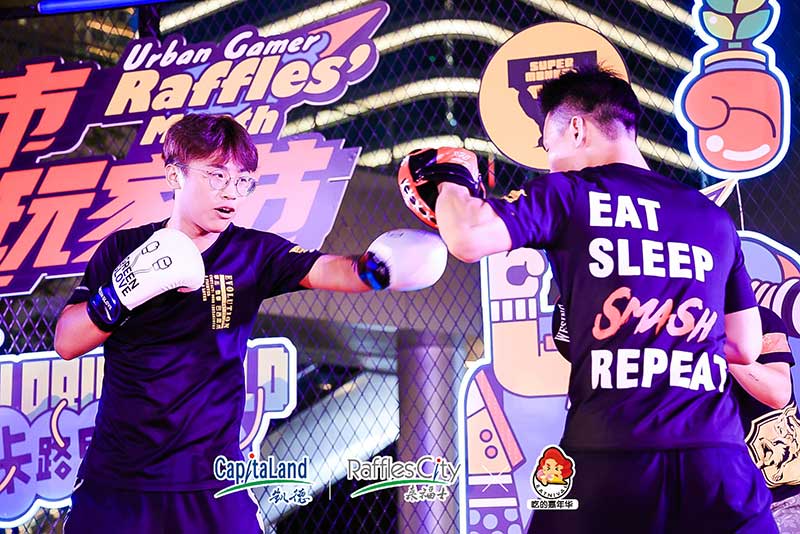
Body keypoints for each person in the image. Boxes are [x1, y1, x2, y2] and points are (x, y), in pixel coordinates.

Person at [399, 66, 774, 533]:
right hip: (716, 459)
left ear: (576, 128)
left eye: (548, 146)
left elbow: (467, 236)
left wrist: (452, 177)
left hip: (609, 454)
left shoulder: (571, 193)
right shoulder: (711, 217)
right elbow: (744, 346)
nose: (551, 162)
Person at [55, 113, 446, 533]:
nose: (231, 192)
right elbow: (67, 341)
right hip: (117, 479)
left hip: (211, 480)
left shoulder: (252, 253)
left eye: (243, 181)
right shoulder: (125, 247)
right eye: (216, 176)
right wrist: (121, 292)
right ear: (174, 175)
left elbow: (334, 270)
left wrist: (377, 270)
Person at [730, 306, 800, 533]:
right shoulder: (662, 336)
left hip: (788, 498)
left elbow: (778, 393)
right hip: (724, 504)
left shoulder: (758, 320)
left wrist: (718, 344)